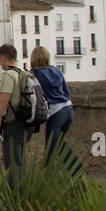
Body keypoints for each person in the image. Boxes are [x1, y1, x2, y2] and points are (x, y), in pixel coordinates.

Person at [30, 46, 82, 175]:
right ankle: (76, 170)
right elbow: (66, 90)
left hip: (55, 113)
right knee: (58, 143)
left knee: (51, 149)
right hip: (68, 109)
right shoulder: (56, 70)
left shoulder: (35, 74)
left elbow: (33, 95)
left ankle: (50, 176)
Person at [0, 44, 28, 187]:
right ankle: (21, 197)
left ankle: (15, 200)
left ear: (3, 57)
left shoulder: (8, 75)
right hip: (26, 123)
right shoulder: (24, 72)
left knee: (12, 166)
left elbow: (3, 102)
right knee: (19, 162)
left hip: (13, 124)